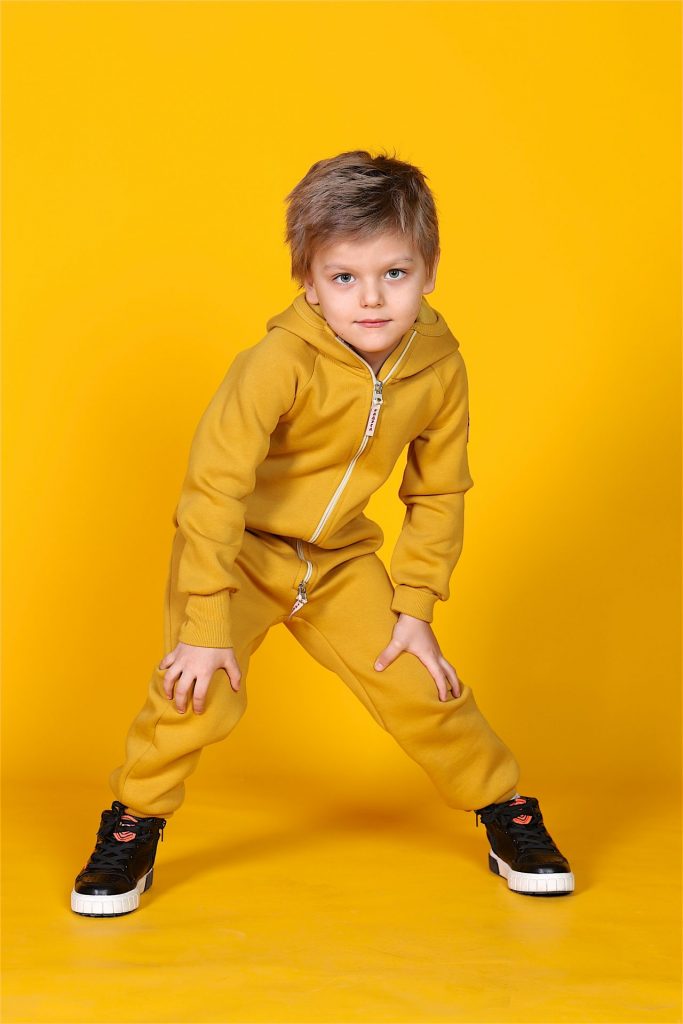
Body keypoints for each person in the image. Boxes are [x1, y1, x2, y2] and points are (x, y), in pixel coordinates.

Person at [71, 148, 574, 918]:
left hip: (338, 561)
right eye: (343, 278)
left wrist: (415, 606)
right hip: (238, 556)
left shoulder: (439, 367)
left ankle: (505, 810)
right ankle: (133, 821)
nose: (370, 298)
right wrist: (204, 622)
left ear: (429, 270)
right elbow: (213, 488)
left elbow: (438, 491)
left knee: (422, 687)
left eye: (393, 273)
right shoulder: (276, 362)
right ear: (308, 281)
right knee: (195, 694)